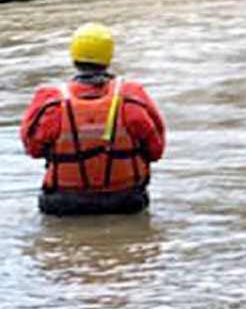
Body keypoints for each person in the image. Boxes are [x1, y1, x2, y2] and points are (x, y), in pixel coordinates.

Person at [20, 23, 166, 216]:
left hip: (65, 205)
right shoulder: (133, 98)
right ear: (109, 57)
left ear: (74, 57)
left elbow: (33, 149)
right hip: (126, 202)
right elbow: (156, 151)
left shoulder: (51, 101)